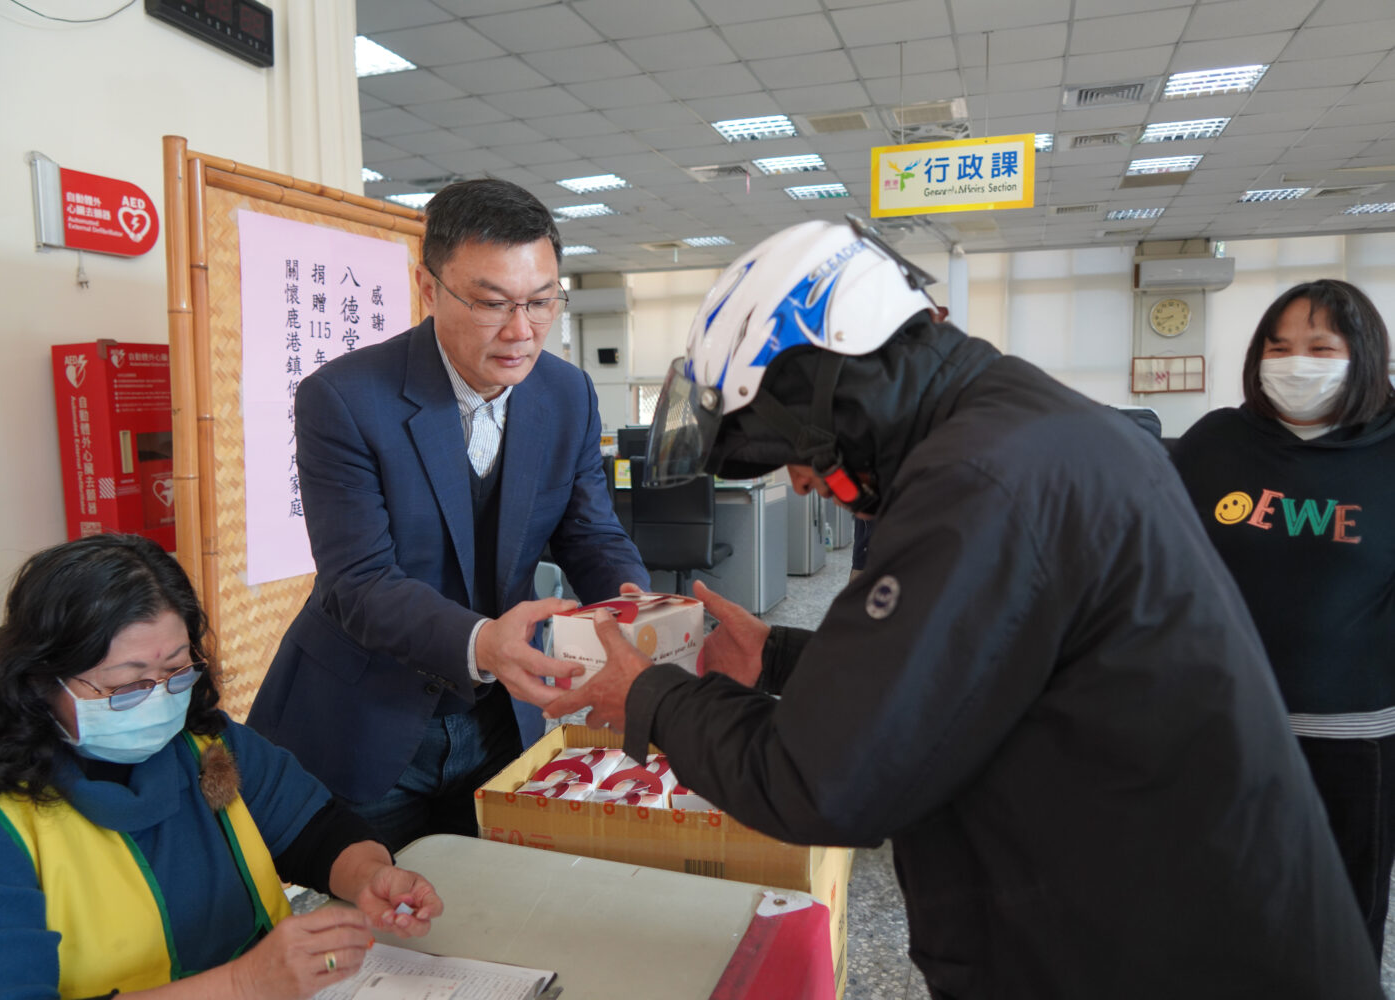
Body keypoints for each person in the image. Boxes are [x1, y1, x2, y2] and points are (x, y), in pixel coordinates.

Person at [547, 217, 1381, 998]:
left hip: (1162, 959)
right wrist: (776, 658)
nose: (800, 482)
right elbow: (970, 675)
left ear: (835, 393)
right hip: (1162, 926)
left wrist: (649, 697)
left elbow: (820, 784)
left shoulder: (979, 480)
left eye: (789, 451)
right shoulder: (1015, 427)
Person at [247, 178, 650, 850]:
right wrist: (481, 642)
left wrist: (638, 608)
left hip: (501, 719)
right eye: (492, 303)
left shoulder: (568, 394)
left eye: (541, 301)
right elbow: (358, 580)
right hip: (368, 717)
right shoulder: (345, 399)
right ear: (428, 289)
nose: (521, 331)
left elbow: (589, 532)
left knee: (492, 896)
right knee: (378, 902)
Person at [0, 534, 442, 1000]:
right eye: (126, 684)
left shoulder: (205, 747)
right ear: (39, 680)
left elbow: (315, 831)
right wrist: (243, 985)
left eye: (177, 671)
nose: (158, 699)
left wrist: (368, 876)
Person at [1173, 279, 1395, 957]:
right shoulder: (1216, 442)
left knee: (1339, 920)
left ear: (1364, 357)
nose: (1296, 362)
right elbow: (1160, 564)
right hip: (1222, 723)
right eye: (1279, 347)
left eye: (1320, 348)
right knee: (1218, 909)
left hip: (1350, 738)